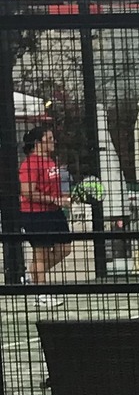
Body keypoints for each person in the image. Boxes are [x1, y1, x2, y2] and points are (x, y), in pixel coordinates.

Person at [17, 124, 72, 304]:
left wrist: (63, 198)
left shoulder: (50, 161)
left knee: (65, 248)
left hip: (54, 212)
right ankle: (41, 294)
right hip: (35, 213)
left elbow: (53, 189)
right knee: (40, 252)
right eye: (48, 139)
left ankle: (30, 276)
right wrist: (54, 199)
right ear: (37, 143)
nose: (53, 141)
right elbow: (28, 192)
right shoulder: (30, 164)